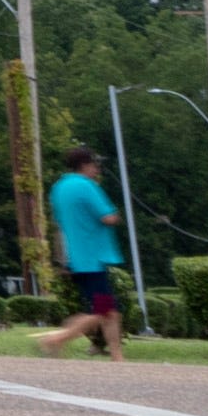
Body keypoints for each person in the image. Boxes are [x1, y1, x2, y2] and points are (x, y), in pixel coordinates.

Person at [36, 146, 129, 359]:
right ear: (85, 165)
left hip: (75, 258)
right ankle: (55, 339)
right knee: (103, 312)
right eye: (95, 164)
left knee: (109, 313)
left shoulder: (59, 187)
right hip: (92, 258)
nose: (97, 168)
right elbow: (108, 217)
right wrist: (117, 216)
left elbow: (58, 223)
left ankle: (118, 357)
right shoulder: (87, 186)